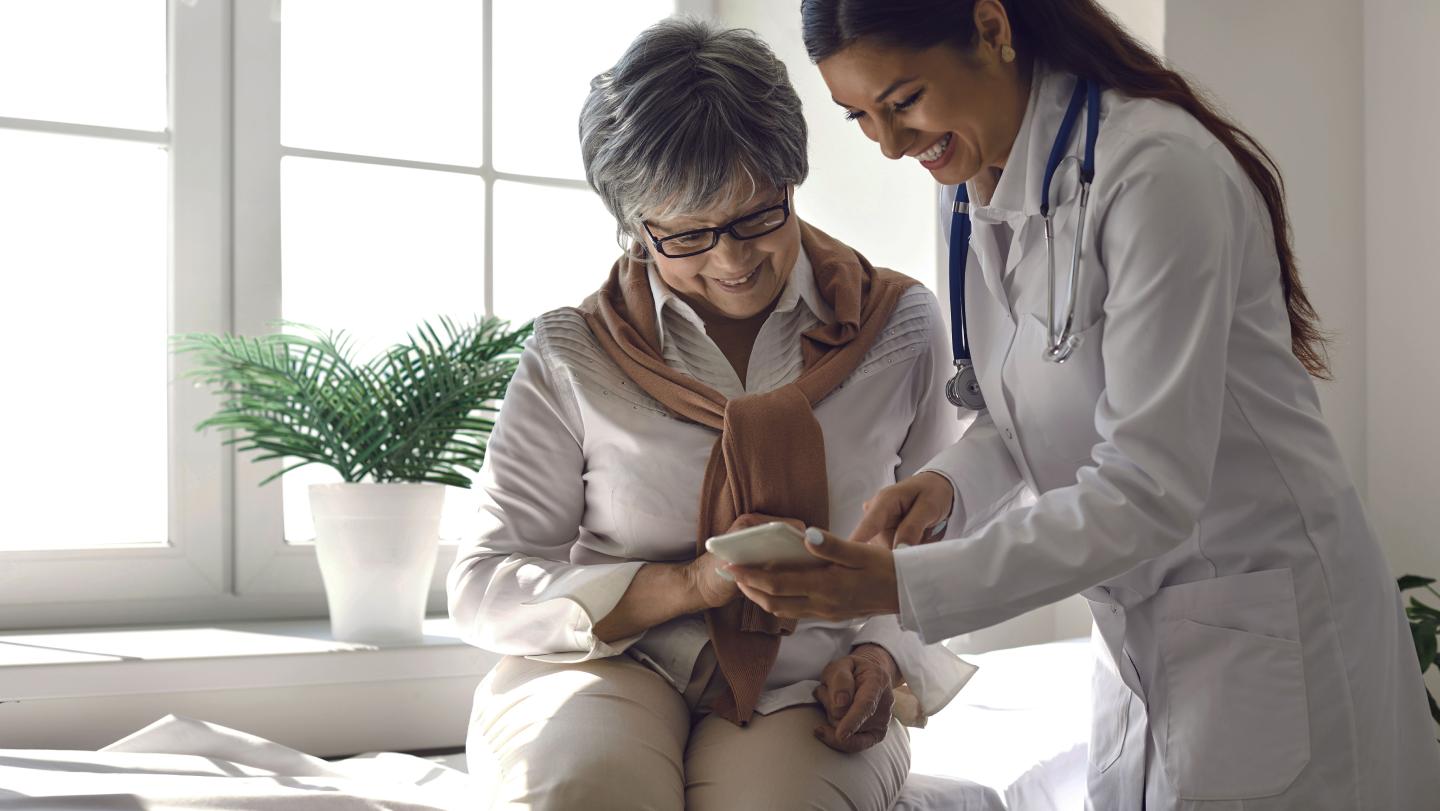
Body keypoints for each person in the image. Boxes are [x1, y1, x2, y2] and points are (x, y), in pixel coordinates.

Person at [725, 1, 1440, 808]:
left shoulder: (1156, 172)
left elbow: (1147, 487)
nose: (891, 145)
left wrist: (899, 584)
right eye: (859, 118)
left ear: (992, 28)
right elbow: (1027, 398)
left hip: (1267, 618)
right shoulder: (966, 182)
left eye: (903, 102)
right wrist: (951, 486)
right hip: (1143, 631)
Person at [446, 17, 973, 811]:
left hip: (807, 681)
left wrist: (878, 656)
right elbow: (486, 579)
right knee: (588, 791)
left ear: (792, 179)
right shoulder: (574, 351)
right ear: (634, 226)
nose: (732, 260)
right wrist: (687, 586)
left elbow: (944, 546)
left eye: (759, 214)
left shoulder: (899, 327)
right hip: (607, 662)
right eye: (688, 234)